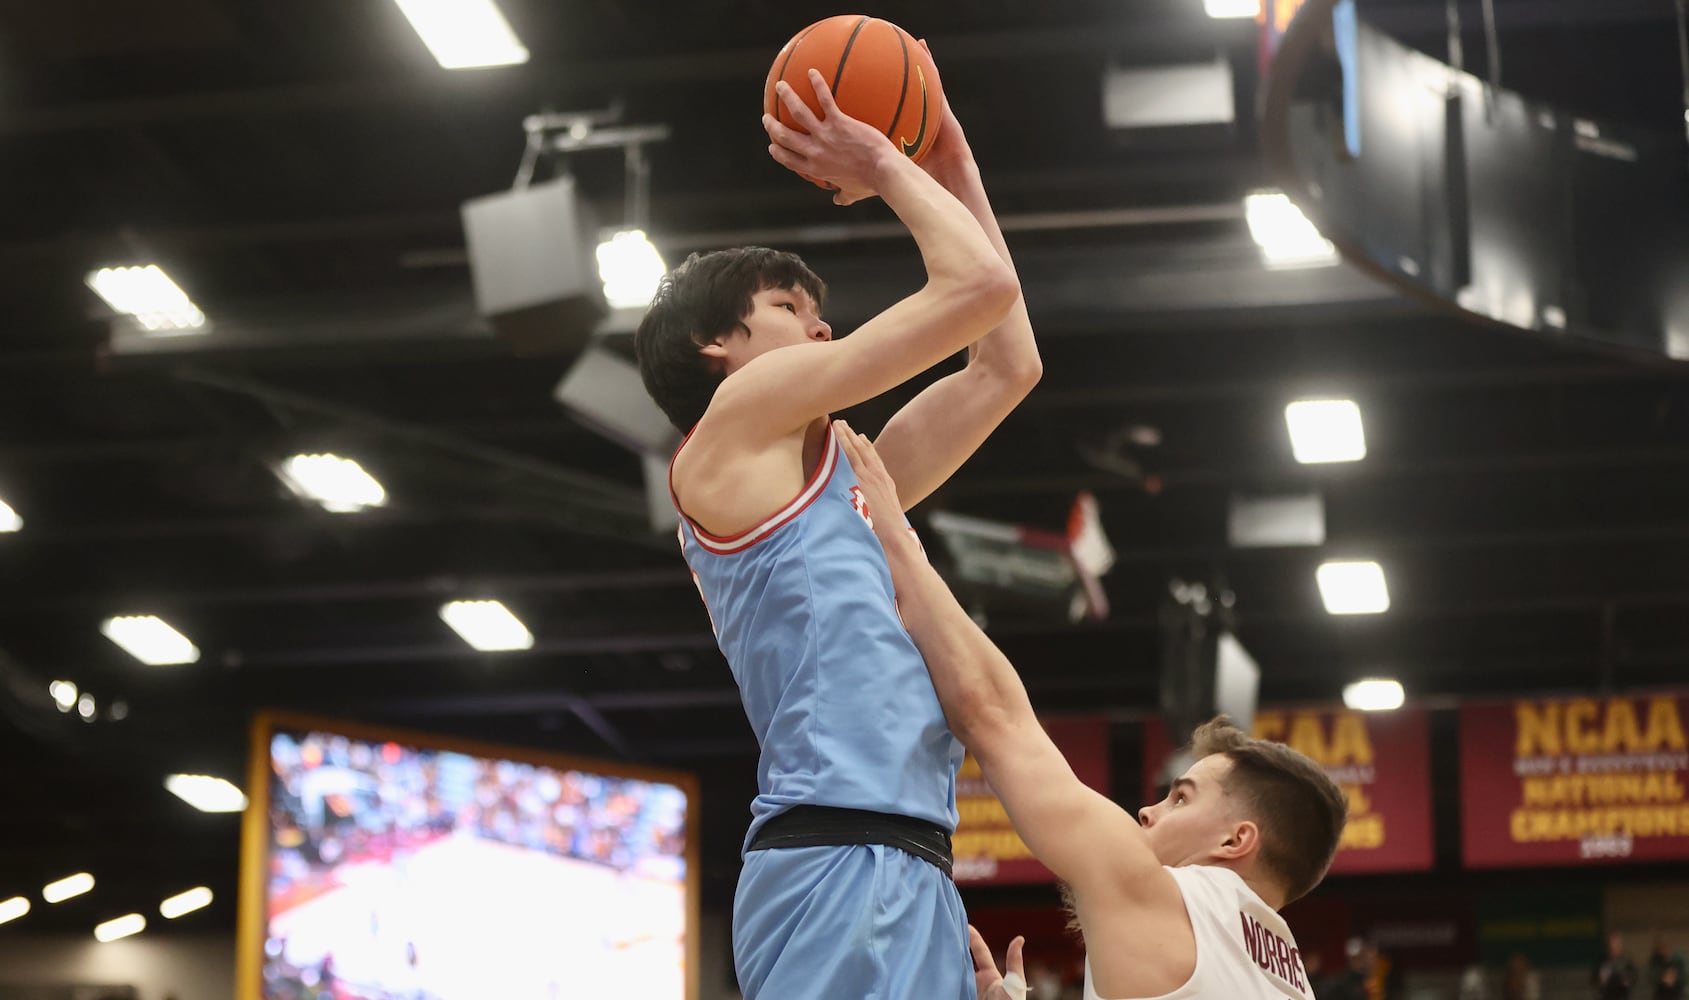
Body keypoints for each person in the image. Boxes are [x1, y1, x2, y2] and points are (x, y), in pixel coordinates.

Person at [634, 61, 1040, 1000]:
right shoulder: (732, 419)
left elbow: (1006, 363)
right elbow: (974, 286)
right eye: (788, 310)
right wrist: (890, 165)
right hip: (835, 853)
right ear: (716, 350)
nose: (820, 333)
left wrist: (951, 160)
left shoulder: (857, 475)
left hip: (905, 855)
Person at [835, 423, 1349, 1000]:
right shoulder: (1288, 977)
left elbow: (994, 717)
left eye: (1181, 797)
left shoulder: (1171, 902)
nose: (1148, 811)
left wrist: (893, 532)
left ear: (1236, 841)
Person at [1596, 932, 1639, 1000]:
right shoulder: (1602, 961)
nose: (1613, 948)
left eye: (1616, 945)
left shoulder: (1626, 961)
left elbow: (1633, 975)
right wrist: (1600, 980)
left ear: (1620, 946)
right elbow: (1594, 978)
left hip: (1621, 995)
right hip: (1606, 995)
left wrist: (1626, 980)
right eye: (1611, 945)